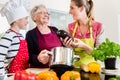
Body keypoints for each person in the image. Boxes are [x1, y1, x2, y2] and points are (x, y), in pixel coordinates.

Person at [63, 0, 105, 70]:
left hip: (92, 69)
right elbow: (69, 55)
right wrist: (68, 47)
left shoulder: (98, 27)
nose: (69, 12)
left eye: (72, 8)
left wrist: (84, 46)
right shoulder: (70, 27)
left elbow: (100, 55)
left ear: (82, 8)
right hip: (74, 69)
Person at [0, 0, 29, 74]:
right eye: (25, 18)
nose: (27, 21)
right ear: (16, 20)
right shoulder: (8, 36)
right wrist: (2, 75)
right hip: (14, 75)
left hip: (24, 73)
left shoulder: (21, 36)